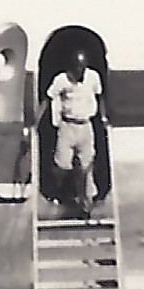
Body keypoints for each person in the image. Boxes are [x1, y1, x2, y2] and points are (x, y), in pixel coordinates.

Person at [45, 53, 106, 218]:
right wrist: (36, 122)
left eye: (82, 68)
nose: (79, 72)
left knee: (87, 166)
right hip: (67, 126)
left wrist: (103, 117)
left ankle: (86, 205)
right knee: (62, 165)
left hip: (85, 125)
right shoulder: (61, 80)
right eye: (76, 68)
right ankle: (60, 193)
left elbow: (99, 97)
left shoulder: (93, 77)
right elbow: (48, 98)